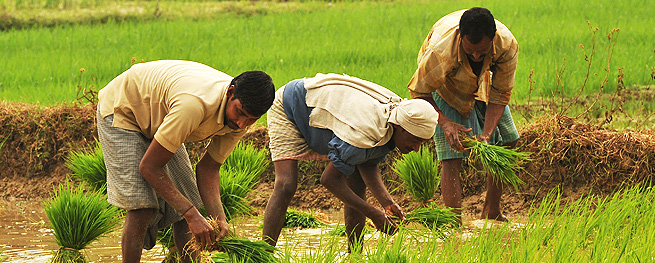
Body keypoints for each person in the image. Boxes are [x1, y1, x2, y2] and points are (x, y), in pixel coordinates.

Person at [96, 60, 275, 263]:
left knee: (189, 202)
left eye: (252, 119)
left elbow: (209, 168)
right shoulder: (194, 104)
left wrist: (219, 219)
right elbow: (149, 167)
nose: (243, 123)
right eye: (240, 113)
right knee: (143, 205)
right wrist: (191, 214)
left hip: (162, 118)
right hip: (124, 109)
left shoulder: (239, 121)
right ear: (230, 92)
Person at [262, 73, 439, 252]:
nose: (416, 148)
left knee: (357, 181)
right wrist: (373, 213)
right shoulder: (369, 128)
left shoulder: (392, 123)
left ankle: (354, 254)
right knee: (286, 184)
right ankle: (265, 253)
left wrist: (387, 202)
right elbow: (329, 180)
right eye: (415, 140)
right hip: (291, 106)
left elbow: (368, 163)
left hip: (328, 112)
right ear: (401, 128)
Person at [407, 7, 520, 221]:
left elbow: (501, 93)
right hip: (444, 85)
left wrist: (486, 133)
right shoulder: (440, 52)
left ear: (493, 39)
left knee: (508, 140)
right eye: (470, 51)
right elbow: (419, 91)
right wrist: (446, 123)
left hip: (481, 80)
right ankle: (453, 220)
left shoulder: (506, 45)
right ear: (460, 37)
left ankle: (492, 211)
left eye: (482, 52)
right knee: (452, 152)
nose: (476, 56)